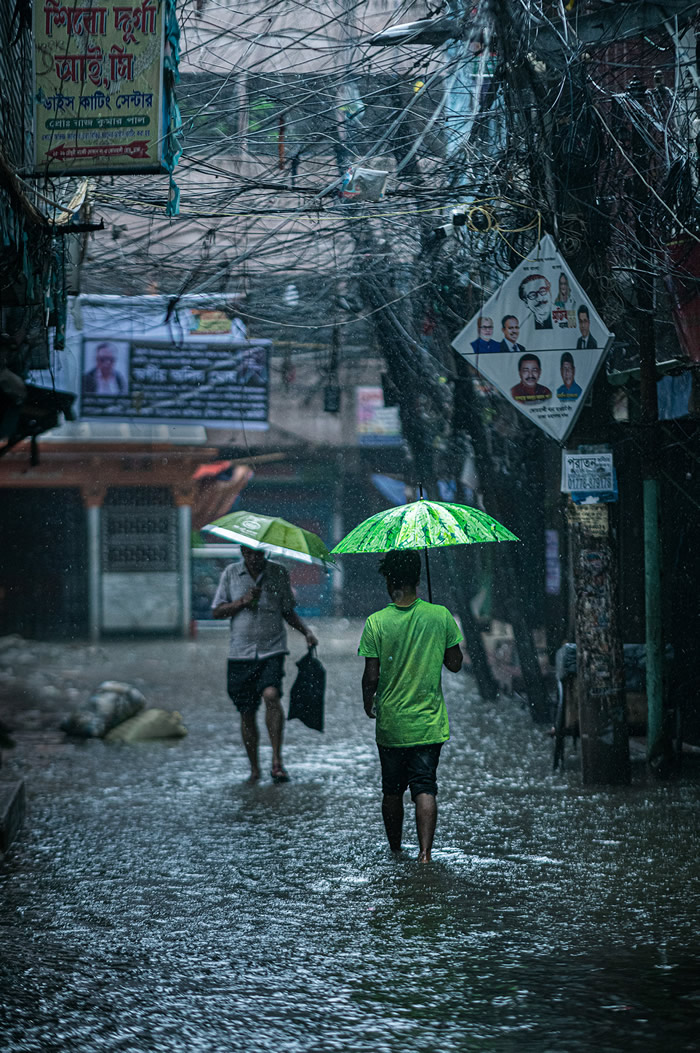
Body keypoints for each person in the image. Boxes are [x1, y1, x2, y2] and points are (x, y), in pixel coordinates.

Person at [358, 550, 463, 862]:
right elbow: (455, 664)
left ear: (389, 582)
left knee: (392, 791)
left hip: (391, 723)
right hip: (429, 723)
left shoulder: (376, 622)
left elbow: (371, 676)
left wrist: (368, 702)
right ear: (418, 579)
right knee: (425, 787)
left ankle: (395, 850)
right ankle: (426, 854)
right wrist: (440, 636)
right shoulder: (440, 615)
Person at [212, 544, 318, 783]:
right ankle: (254, 769)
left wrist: (306, 632)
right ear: (242, 553)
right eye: (248, 553)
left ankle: (277, 761)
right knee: (247, 712)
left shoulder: (279, 572)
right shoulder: (230, 573)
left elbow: (287, 611)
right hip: (240, 654)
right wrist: (242, 601)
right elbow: (217, 611)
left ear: (265, 553)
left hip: (272, 649)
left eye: (258, 554)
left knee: (272, 695)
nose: (253, 559)